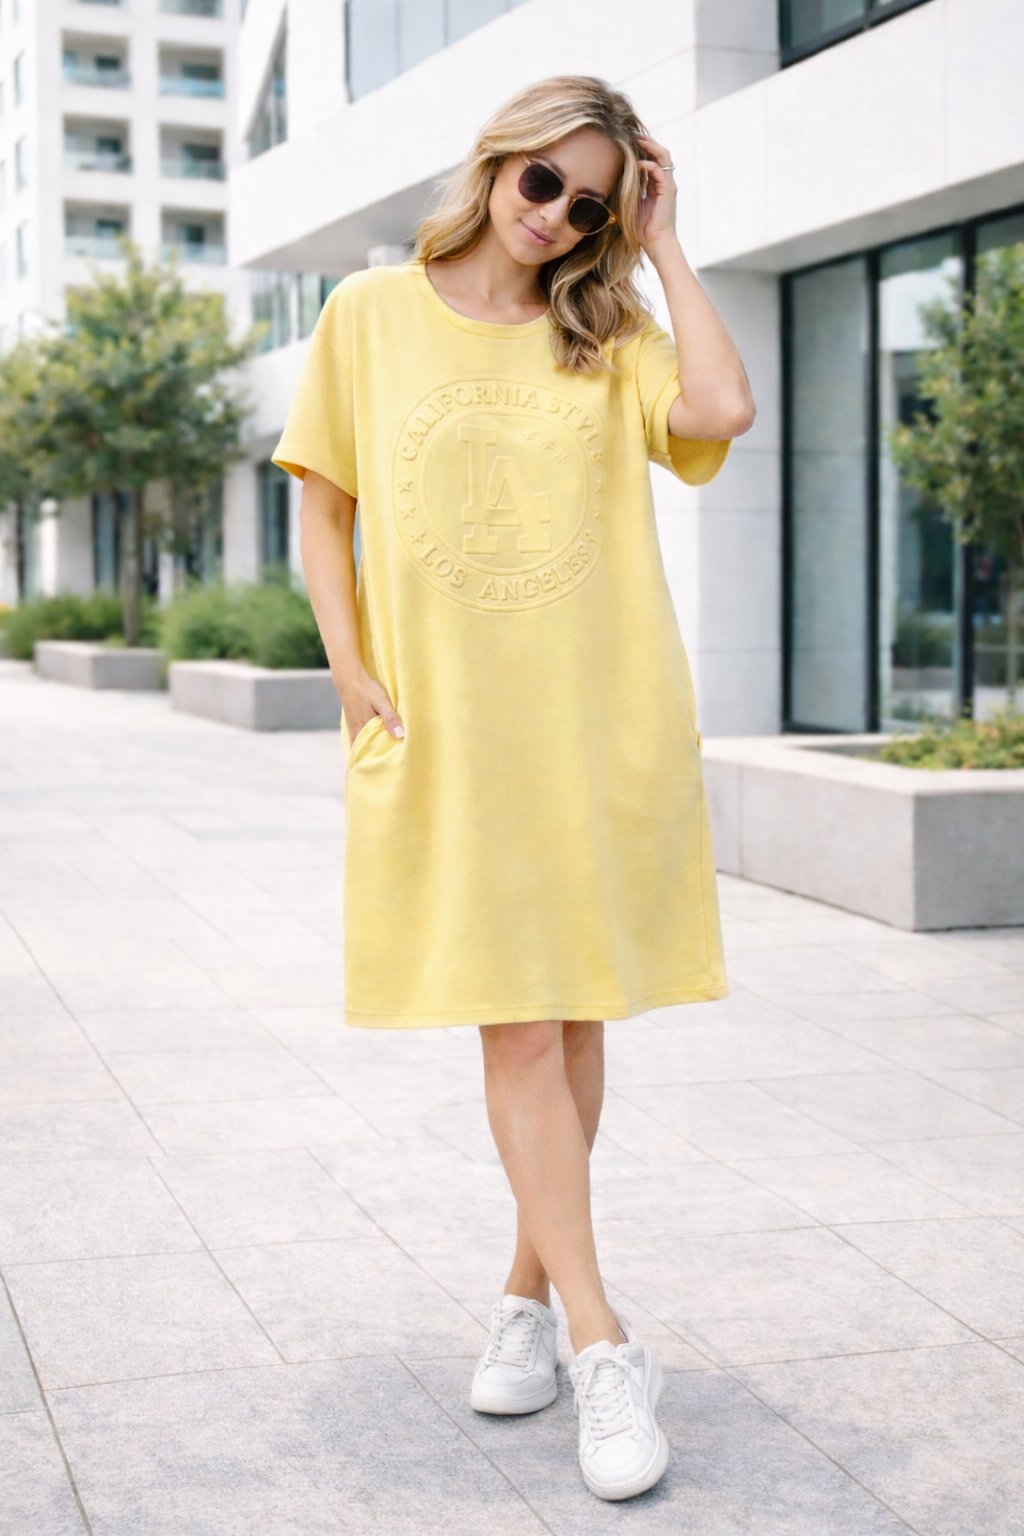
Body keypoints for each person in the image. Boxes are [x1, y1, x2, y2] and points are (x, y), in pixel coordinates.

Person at [271, 74, 755, 1503]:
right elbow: (322, 507)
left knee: (570, 1016)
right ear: (496, 164)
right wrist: (348, 667)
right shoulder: (369, 314)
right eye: (545, 182)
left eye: (591, 205)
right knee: (521, 1028)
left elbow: (723, 406)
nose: (557, 218)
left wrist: (663, 245)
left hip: (596, 725)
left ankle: (529, 1303)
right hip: (454, 733)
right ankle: (606, 1344)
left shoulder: (605, 338)